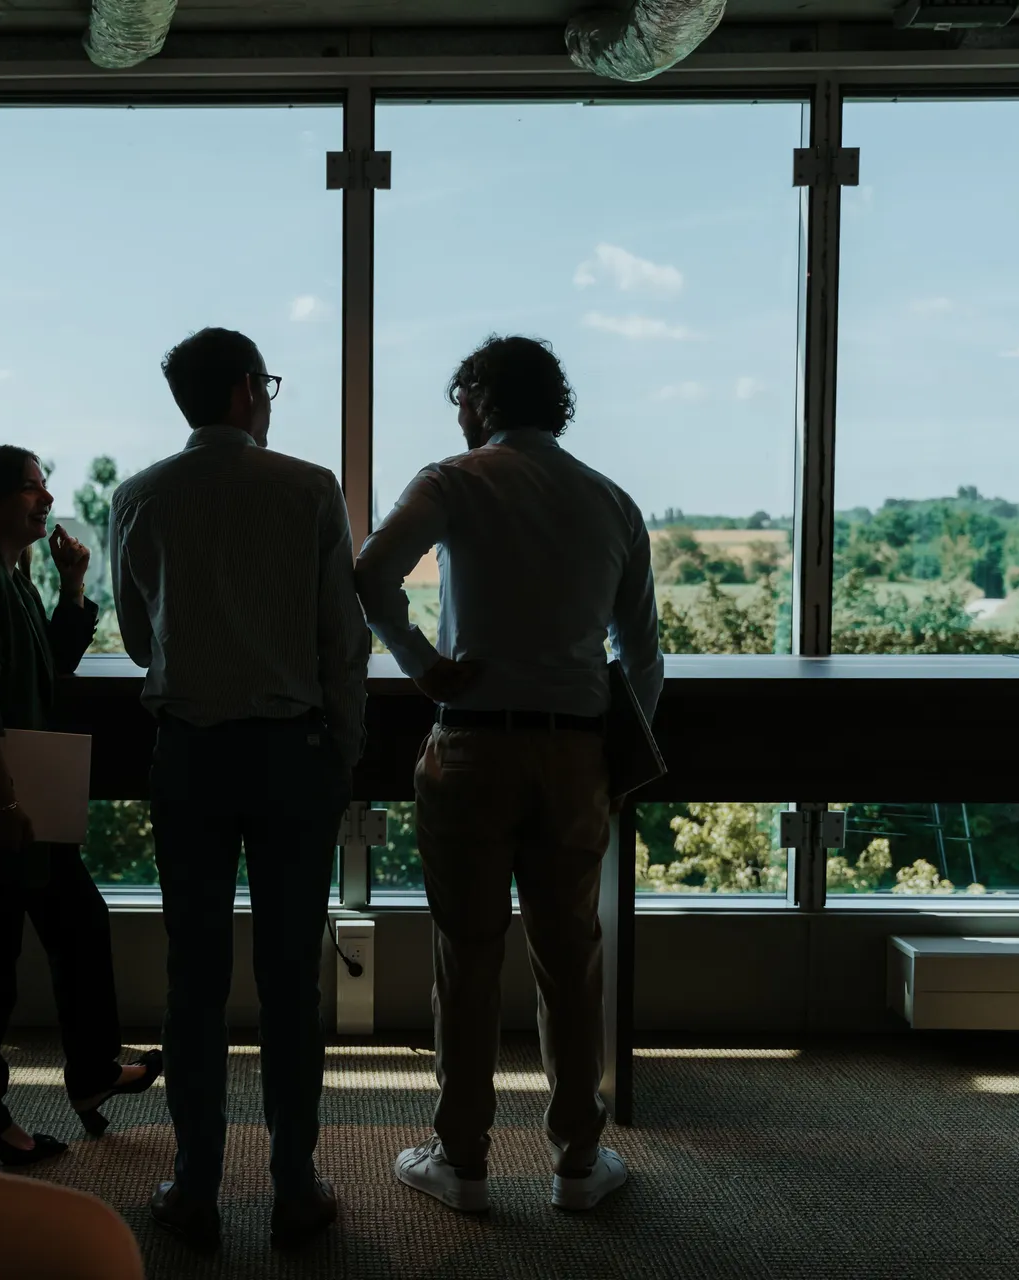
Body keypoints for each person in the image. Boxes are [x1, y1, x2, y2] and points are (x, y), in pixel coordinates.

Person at [353, 335, 663, 1215]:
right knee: (572, 959)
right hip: (574, 751)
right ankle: (576, 1161)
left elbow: (371, 572)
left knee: (469, 956)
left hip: (473, 745)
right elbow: (641, 655)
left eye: (462, 398)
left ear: (480, 401)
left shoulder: (453, 480)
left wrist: (419, 659)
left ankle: (465, 1161)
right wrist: (609, 756)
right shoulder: (612, 501)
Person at [109, 327, 370, 1252]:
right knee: (290, 982)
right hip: (293, 756)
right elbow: (342, 637)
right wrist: (343, 751)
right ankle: (294, 1189)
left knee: (195, 982)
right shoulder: (308, 489)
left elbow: (142, 640)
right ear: (246, 393)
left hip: (189, 755)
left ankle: (195, 1188)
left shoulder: (138, 496)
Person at [0, 444, 161, 1170]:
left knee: (75, 926)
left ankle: (89, 1071)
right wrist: (1, 798)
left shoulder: (4, 578)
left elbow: (43, 671)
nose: (45, 500)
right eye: (31, 489)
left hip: (16, 808)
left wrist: (73, 586)